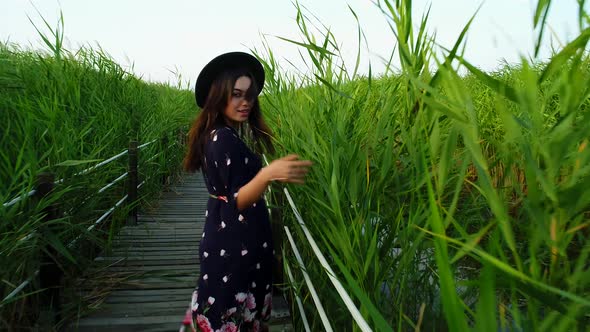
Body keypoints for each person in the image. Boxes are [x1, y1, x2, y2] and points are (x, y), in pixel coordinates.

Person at [180, 52, 312, 332]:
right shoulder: (223, 138)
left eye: (250, 95)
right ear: (219, 96)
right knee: (228, 311)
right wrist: (267, 174)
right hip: (233, 241)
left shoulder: (218, 132)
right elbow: (236, 200)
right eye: (237, 95)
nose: (245, 103)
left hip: (230, 237)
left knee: (229, 307)